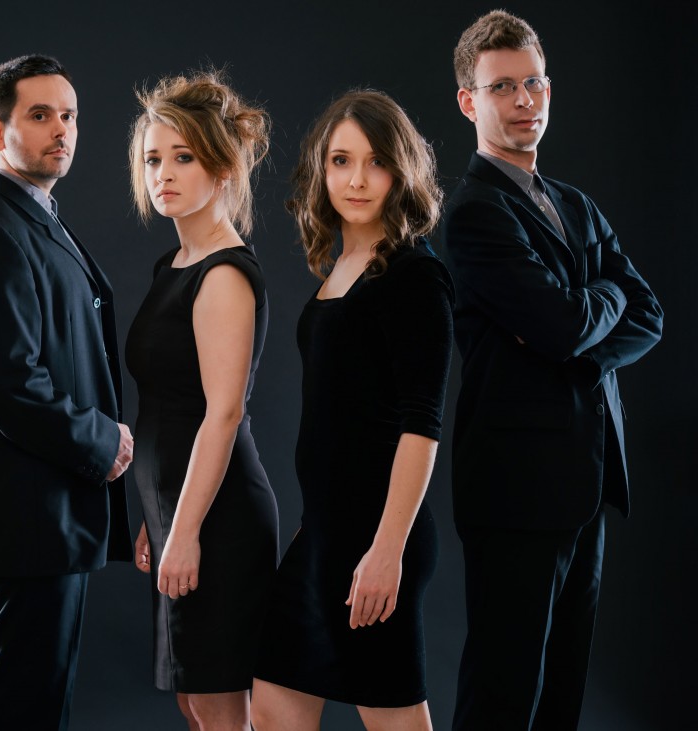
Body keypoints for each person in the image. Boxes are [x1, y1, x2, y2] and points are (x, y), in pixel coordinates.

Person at [443, 10, 663, 729]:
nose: (524, 100)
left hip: (586, 484)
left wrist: (577, 320)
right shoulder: (475, 213)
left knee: (562, 697)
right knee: (504, 697)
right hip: (515, 493)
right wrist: (595, 302)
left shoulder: (575, 205)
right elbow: (565, 323)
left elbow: (648, 314)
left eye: (534, 82)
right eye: (502, 86)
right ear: (469, 102)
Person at [250, 89, 453, 731]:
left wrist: (387, 549)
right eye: (341, 161)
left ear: (402, 171)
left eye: (376, 162)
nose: (357, 179)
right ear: (322, 169)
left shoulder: (414, 275)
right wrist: (316, 523)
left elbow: (421, 425)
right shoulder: (340, 267)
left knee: (394, 717)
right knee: (273, 703)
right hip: (323, 533)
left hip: (378, 538)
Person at [0, 54, 133, 731]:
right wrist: (104, 441)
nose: (62, 129)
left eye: (70, 115)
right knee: (16, 712)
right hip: (24, 522)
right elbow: (10, 385)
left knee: (37, 708)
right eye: (41, 114)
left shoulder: (33, 213)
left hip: (49, 518)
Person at [125, 71, 279, 731]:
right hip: (177, 511)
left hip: (219, 522)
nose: (163, 173)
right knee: (194, 702)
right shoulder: (173, 266)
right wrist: (156, 516)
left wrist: (184, 529)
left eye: (182, 157)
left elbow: (222, 414)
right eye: (152, 159)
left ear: (221, 168)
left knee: (219, 707)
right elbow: (167, 405)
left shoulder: (223, 274)